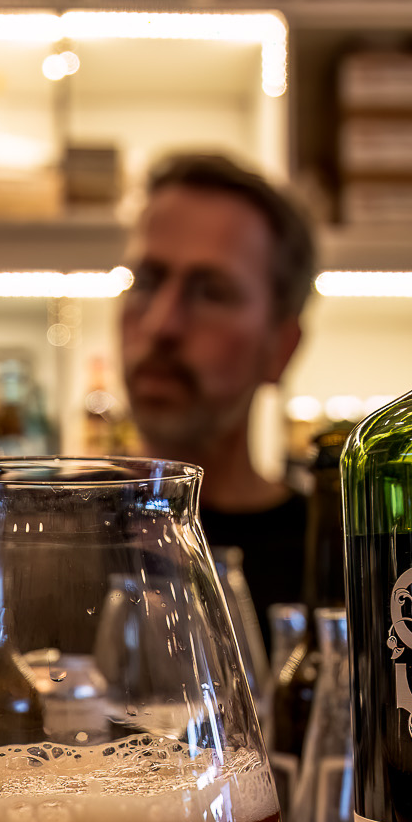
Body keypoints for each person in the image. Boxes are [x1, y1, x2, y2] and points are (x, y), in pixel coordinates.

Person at [119, 152, 315, 617]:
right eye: (147, 281)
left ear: (281, 347)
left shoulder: (337, 561)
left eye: (211, 292)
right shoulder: (42, 536)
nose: (162, 325)